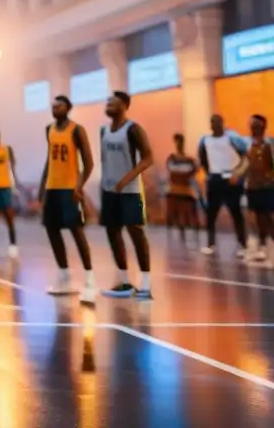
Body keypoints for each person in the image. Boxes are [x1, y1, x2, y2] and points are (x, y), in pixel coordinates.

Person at [39, 95, 96, 305]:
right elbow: (50, 160)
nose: (55, 109)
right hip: (52, 188)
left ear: (68, 108)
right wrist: (41, 187)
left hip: (70, 188)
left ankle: (90, 279)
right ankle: (64, 276)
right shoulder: (49, 130)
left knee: (76, 230)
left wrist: (79, 186)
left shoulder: (77, 130)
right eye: (52, 106)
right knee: (52, 230)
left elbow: (89, 163)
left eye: (59, 106)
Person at [97, 92, 154, 300]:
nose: (108, 104)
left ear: (124, 106)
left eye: (112, 102)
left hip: (130, 190)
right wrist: (105, 183)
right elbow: (104, 160)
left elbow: (149, 158)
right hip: (109, 190)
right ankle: (124, 282)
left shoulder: (133, 129)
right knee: (113, 233)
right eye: (107, 101)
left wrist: (126, 178)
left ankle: (146, 284)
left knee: (135, 232)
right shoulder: (103, 130)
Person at [198, 114, 249, 257]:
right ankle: (211, 243)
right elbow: (202, 158)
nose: (215, 125)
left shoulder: (232, 138)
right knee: (211, 213)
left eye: (218, 122)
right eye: (212, 122)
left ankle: (242, 244)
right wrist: (210, 173)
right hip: (215, 178)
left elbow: (245, 157)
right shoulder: (205, 140)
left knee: (236, 212)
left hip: (231, 179)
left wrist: (237, 174)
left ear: (222, 123)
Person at [244, 114, 274, 264]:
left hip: (267, 187)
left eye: (257, 125)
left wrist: (269, 178)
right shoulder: (247, 144)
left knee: (270, 218)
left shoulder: (270, 144)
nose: (254, 128)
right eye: (252, 125)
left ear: (263, 127)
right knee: (258, 218)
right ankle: (261, 248)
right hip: (253, 187)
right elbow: (244, 164)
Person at [166, 134, 201, 243]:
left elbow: (193, 170)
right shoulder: (171, 158)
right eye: (176, 142)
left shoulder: (189, 160)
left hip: (185, 190)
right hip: (174, 190)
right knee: (172, 214)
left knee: (188, 214)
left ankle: (191, 238)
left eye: (180, 141)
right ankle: (174, 239)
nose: (178, 144)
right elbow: (172, 172)